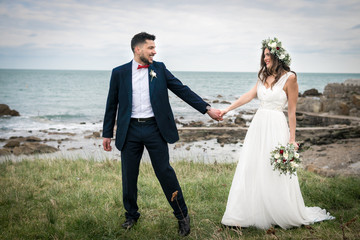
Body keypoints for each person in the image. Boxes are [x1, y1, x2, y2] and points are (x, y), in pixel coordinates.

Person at [102, 32, 222, 236]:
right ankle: (131, 215)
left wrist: (206, 108)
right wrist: (106, 133)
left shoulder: (160, 68)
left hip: (155, 129)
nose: (154, 51)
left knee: (165, 173)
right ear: (137, 49)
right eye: (150, 48)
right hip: (129, 130)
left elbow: (182, 90)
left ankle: (182, 215)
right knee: (129, 176)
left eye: (154, 48)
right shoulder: (119, 72)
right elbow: (111, 104)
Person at [220, 37, 334, 229]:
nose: (265, 58)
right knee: (253, 165)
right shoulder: (263, 76)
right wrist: (226, 109)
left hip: (276, 125)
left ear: (277, 55)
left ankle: (280, 210)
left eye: (268, 54)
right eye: (263, 55)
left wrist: (292, 140)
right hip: (259, 125)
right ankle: (246, 213)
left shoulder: (290, 78)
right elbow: (249, 96)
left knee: (274, 169)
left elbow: (291, 112)